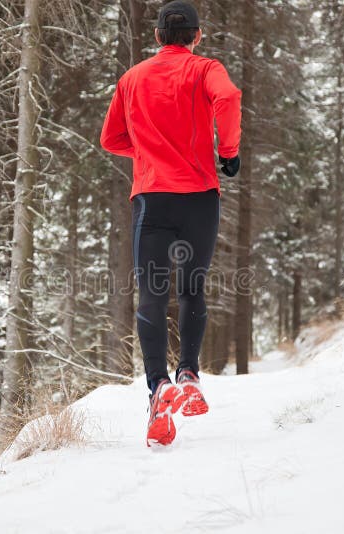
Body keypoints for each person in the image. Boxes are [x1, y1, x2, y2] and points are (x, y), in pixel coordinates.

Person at [100, 0, 242, 446]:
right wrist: (228, 152)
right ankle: (190, 375)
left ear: (158, 36)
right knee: (192, 288)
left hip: (153, 199)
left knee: (152, 295)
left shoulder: (132, 78)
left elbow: (110, 138)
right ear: (197, 36)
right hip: (200, 197)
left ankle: (158, 386)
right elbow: (229, 97)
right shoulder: (206, 69)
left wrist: (148, 152)